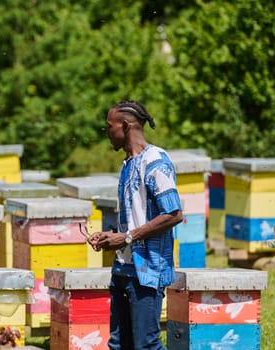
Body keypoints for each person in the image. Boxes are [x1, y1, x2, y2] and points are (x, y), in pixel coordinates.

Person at [88, 100, 183, 350]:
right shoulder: (128, 164)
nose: (107, 132)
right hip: (122, 268)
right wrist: (112, 236)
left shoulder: (156, 162)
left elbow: (173, 214)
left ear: (126, 125)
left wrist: (127, 237)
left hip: (147, 272)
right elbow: (136, 220)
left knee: (146, 345)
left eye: (110, 126)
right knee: (120, 345)